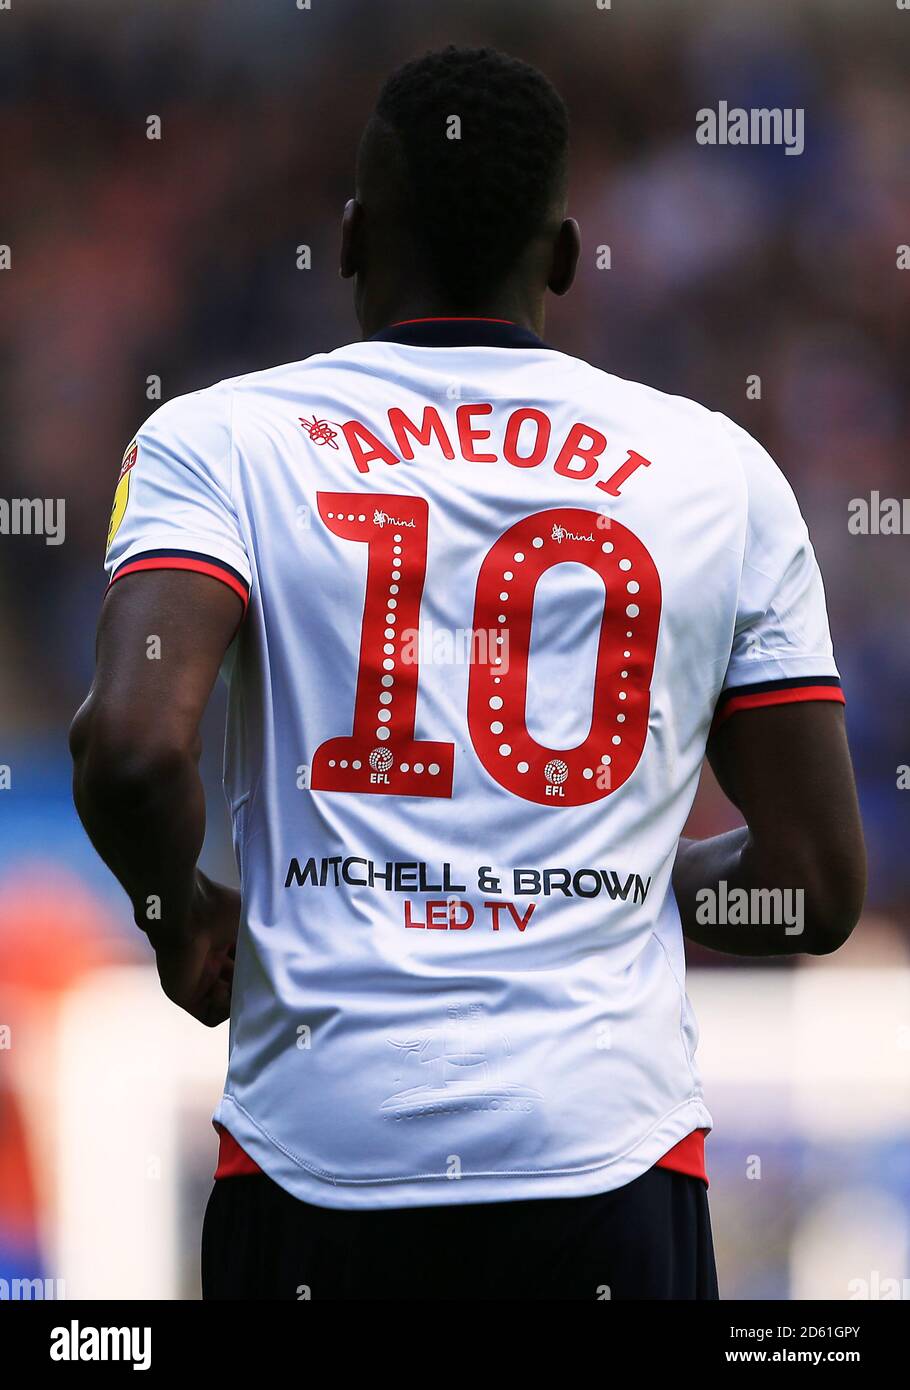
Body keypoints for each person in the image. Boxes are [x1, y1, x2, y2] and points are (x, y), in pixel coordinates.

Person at [70, 46, 865, 1300]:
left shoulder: (220, 441)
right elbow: (815, 889)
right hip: (610, 1165)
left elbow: (127, 746)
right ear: (560, 257)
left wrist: (179, 915)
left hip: (315, 1160)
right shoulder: (717, 471)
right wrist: (613, 894)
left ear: (347, 238)